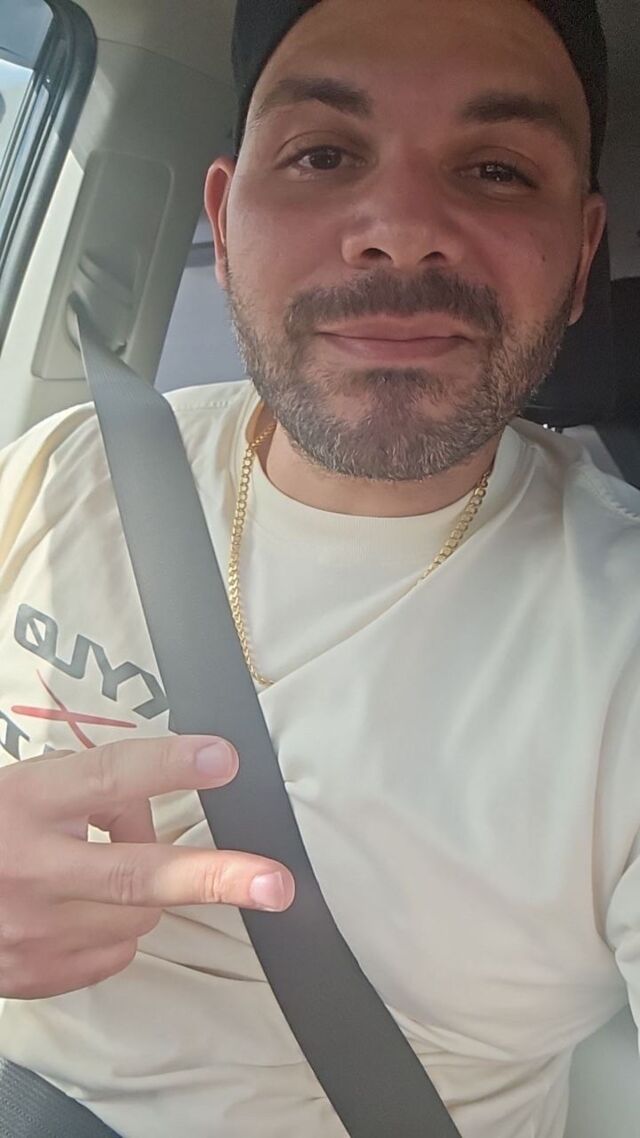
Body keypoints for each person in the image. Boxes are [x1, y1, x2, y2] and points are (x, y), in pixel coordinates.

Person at [0, 0, 638, 1135]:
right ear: (223, 220)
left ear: (582, 255)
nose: (400, 230)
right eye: (323, 155)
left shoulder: (620, 631)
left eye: (495, 169)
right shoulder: (63, 464)